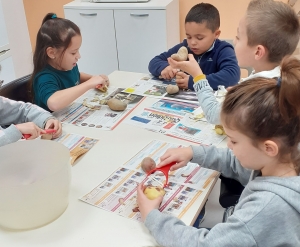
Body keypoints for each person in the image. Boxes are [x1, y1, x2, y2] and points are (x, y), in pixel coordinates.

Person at [137, 56, 300, 246]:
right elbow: (235, 162)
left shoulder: (264, 209)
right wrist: (192, 152)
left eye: (234, 141)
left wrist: (151, 216)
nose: (229, 146)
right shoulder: (284, 160)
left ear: (269, 148)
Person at [168, 0, 299, 124]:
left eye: (238, 37)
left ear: (258, 52)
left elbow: (213, 115)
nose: (234, 41)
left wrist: (198, 76)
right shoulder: (279, 78)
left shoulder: (256, 94)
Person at [148, 3, 240, 91]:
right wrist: (164, 67)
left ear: (216, 34)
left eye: (199, 38)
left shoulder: (223, 50)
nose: (192, 43)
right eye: (189, 36)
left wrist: (195, 81)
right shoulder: (185, 47)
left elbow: (232, 75)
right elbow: (154, 62)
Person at [29, 13, 109, 112]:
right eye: (73, 52)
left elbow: (75, 76)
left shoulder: (68, 66)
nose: (78, 56)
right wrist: (89, 84)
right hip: (51, 123)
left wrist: (93, 78)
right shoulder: (44, 77)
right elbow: (53, 102)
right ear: (52, 53)